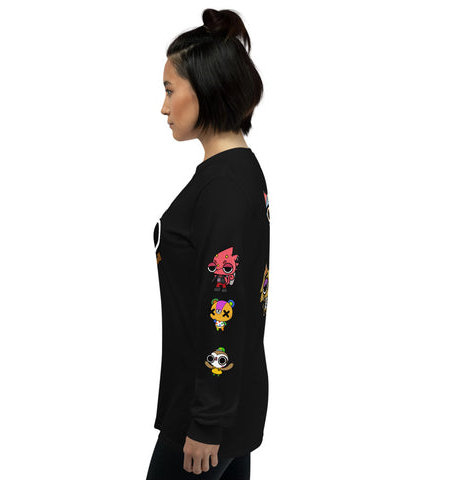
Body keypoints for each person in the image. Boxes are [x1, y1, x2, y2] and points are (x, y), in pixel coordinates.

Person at [147, 8, 270, 479]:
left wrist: (207, 422)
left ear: (205, 90)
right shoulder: (236, 174)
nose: (163, 108)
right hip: (224, 405)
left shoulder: (224, 188)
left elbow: (225, 303)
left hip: (203, 420)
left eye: (169, 90)